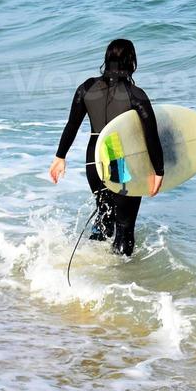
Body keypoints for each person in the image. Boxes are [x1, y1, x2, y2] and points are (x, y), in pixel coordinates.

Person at [49, 39, 164, 256]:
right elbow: (151, 135)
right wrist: (159, 170)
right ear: (132, 62)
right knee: (125, 229)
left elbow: (72, 125)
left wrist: (60, 156)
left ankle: (93, 264)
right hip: (119, 160)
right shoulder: (134, 94)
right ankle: (118, 280)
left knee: (104, 219)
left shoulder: (87, 87)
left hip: (93, 161)